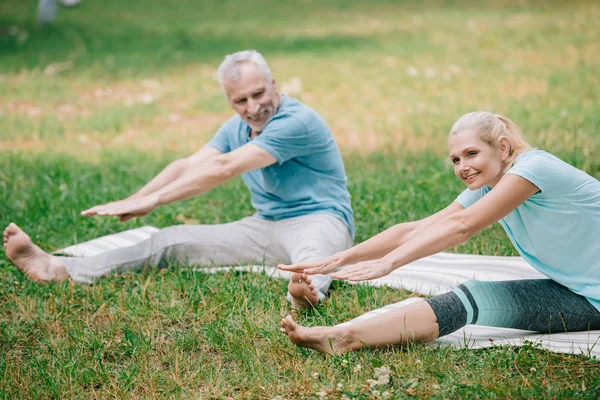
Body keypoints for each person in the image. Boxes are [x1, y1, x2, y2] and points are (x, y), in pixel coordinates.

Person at [3, 50, 354, 308]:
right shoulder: (238, 127)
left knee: (311, 260)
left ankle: (304, 295)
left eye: (259, 94)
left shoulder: (296, 122)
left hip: (321, 219)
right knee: (169, 241)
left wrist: (155, 201)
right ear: (229, 101)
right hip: (265, 226)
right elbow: (187, 165)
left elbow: (222, 169)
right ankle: (57, 268)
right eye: (240, 100)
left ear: (274, 85)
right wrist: (136, 198)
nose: (252, 107)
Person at [278, 111, 600, 353]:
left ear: (503, 147)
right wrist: (340, 258)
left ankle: (344, 338)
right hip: (577, 290)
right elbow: (418, 229)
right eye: (456, 159)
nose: (462, 167)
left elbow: (463, 226)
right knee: (470, 298)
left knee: (473, 298)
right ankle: (343, 336)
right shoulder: (490, 184)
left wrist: (389, 264)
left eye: (472, 154)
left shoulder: (534, 169)